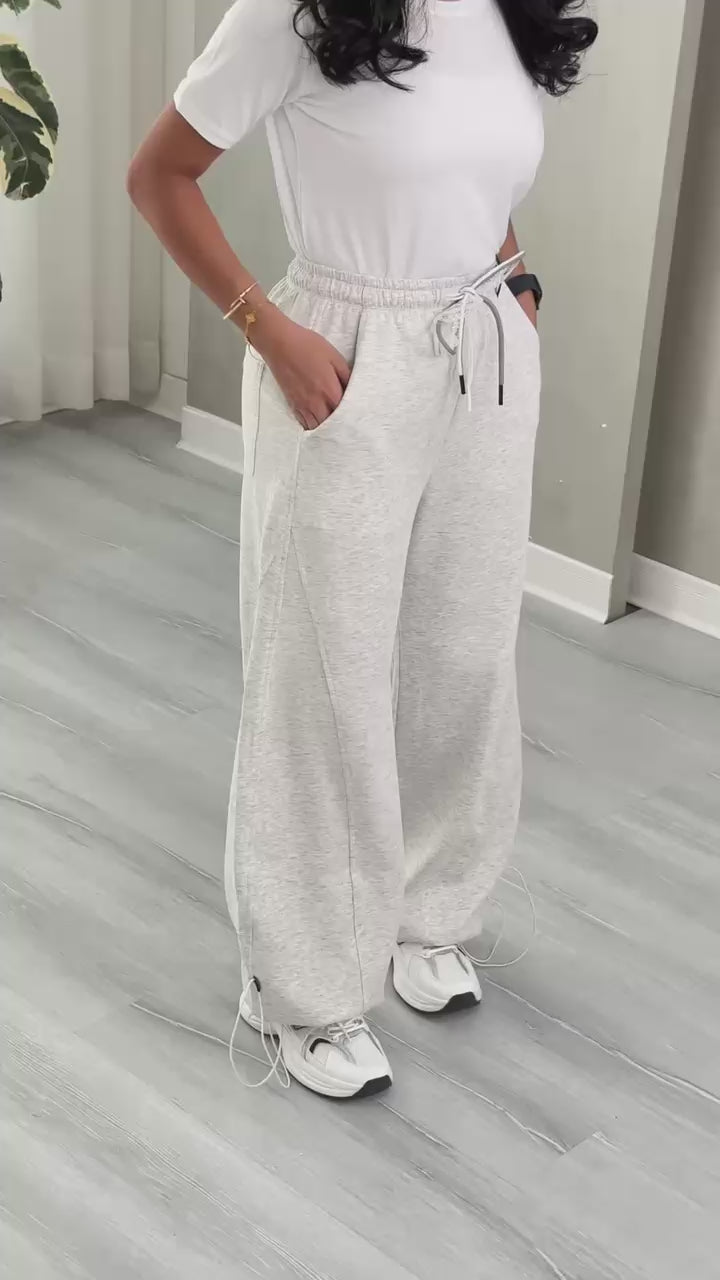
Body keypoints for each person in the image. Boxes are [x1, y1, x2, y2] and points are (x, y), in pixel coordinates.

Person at [128, 0, 597, 1099]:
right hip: (342, 351)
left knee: (463, 653)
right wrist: (272, 331)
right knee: (322, 673)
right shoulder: (298, 14)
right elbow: (160, 176)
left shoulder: (508, 13)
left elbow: (477, 181)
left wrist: (517, 280)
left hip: (484, 349)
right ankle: (299, 984)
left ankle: (428, 912)